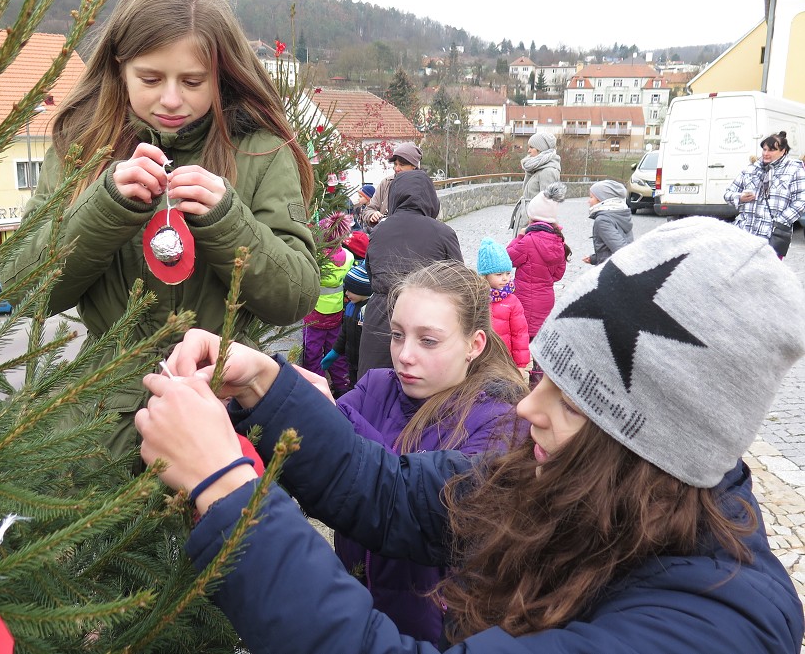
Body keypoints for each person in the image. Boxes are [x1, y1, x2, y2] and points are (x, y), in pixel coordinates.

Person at [135, 217, 805, 653]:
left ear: (656, 442)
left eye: (571, 400)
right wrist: (265, 385)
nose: (526, 408)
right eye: (544, 375)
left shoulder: (707, 629)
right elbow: (390, 491)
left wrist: (226, 488)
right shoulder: (580, 487)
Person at [0, 0, 320, 461]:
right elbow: (23, 289)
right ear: (119, 68)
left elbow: (294, 296)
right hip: (98, 424)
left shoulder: (260, 150)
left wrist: (228, 220)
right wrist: (104, 207)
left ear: (222, 75)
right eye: (150, 79)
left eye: (193, 81)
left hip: (225, 408)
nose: (171, 99)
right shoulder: (81, 150)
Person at [329, 260, 526, 643]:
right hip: (355, 614)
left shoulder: (501, 422)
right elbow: (311, 459)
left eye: (428, 340)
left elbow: (429, 502)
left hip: (434, 634)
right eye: (398, 335)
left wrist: (326, 421)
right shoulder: (376, 388)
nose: (404, 355)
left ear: (475, 344)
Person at [358, 171, 462, 378]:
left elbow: (371, 274)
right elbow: (458, 283)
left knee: (375, 389)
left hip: (380, 316)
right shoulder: (443, 233)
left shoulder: (379, 231)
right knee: (420, 387)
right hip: (425, 320)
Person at [724, 131, 805, 258]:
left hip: (771, 236)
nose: (766, 153)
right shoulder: (751, 169)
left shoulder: (795, 170)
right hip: (744, 234)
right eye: (764, 149)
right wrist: (739, 197)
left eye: (772, 150)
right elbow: (728, 193)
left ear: (783, 151)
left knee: (764, 275)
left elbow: (801, 201)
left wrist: (779, 222)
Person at [507, 181, 570, 339]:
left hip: (524, 300)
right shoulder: (559, 241)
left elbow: (507, 259)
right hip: (546, 300)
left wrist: (519, 236)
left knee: (523, 339)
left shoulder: (528, 241)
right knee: (540, 340)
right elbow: (558, 275)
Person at [303, 212, 355, 397]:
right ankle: (341, 387)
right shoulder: (348, 257)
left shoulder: (316, 258)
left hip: (314, 315)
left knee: (312, 353)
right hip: (336, 313)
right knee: (336, 351)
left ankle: (316, 389)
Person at [475, 238, 529, 372]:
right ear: (485, 276)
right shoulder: (476, 298)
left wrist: (520, 365)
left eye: (508, 273)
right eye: (499, 274)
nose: (505, 278)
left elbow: (520, 334)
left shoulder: (512, 301)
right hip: (480, 360)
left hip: (505, 360)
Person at [320, 262, 371, 389]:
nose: (346, 293)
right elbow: (344, 333)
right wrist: (335, 351)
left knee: (363, 387)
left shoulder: (369, 311)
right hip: (351, 361)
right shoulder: (350, 307)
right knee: (353, 385)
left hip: (365, 364)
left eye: (350, 290)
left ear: (362, 290)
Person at [510, 131, 561, 235]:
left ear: (540, 149)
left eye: (531, 147)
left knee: (526, 250)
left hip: (533, 223)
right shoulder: (535, 167)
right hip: (527, 217)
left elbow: (548, 204)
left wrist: (533, 227)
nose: (528, 151)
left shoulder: (548, 171)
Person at [363, 142, 423, 230]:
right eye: (395, 164)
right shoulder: (386, 183)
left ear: (413, 166)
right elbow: (368, 210)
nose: (397, 169)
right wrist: (372, 215)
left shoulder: (422, 186)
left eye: (401, 165)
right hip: (387, 237)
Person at [582, 179, 633, 265]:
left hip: (611, 272)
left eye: (591, 197)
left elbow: (622, 250)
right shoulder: (619, 214)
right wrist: (593, 259)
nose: (588, 201)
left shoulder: (603, 220)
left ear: (601, 199)